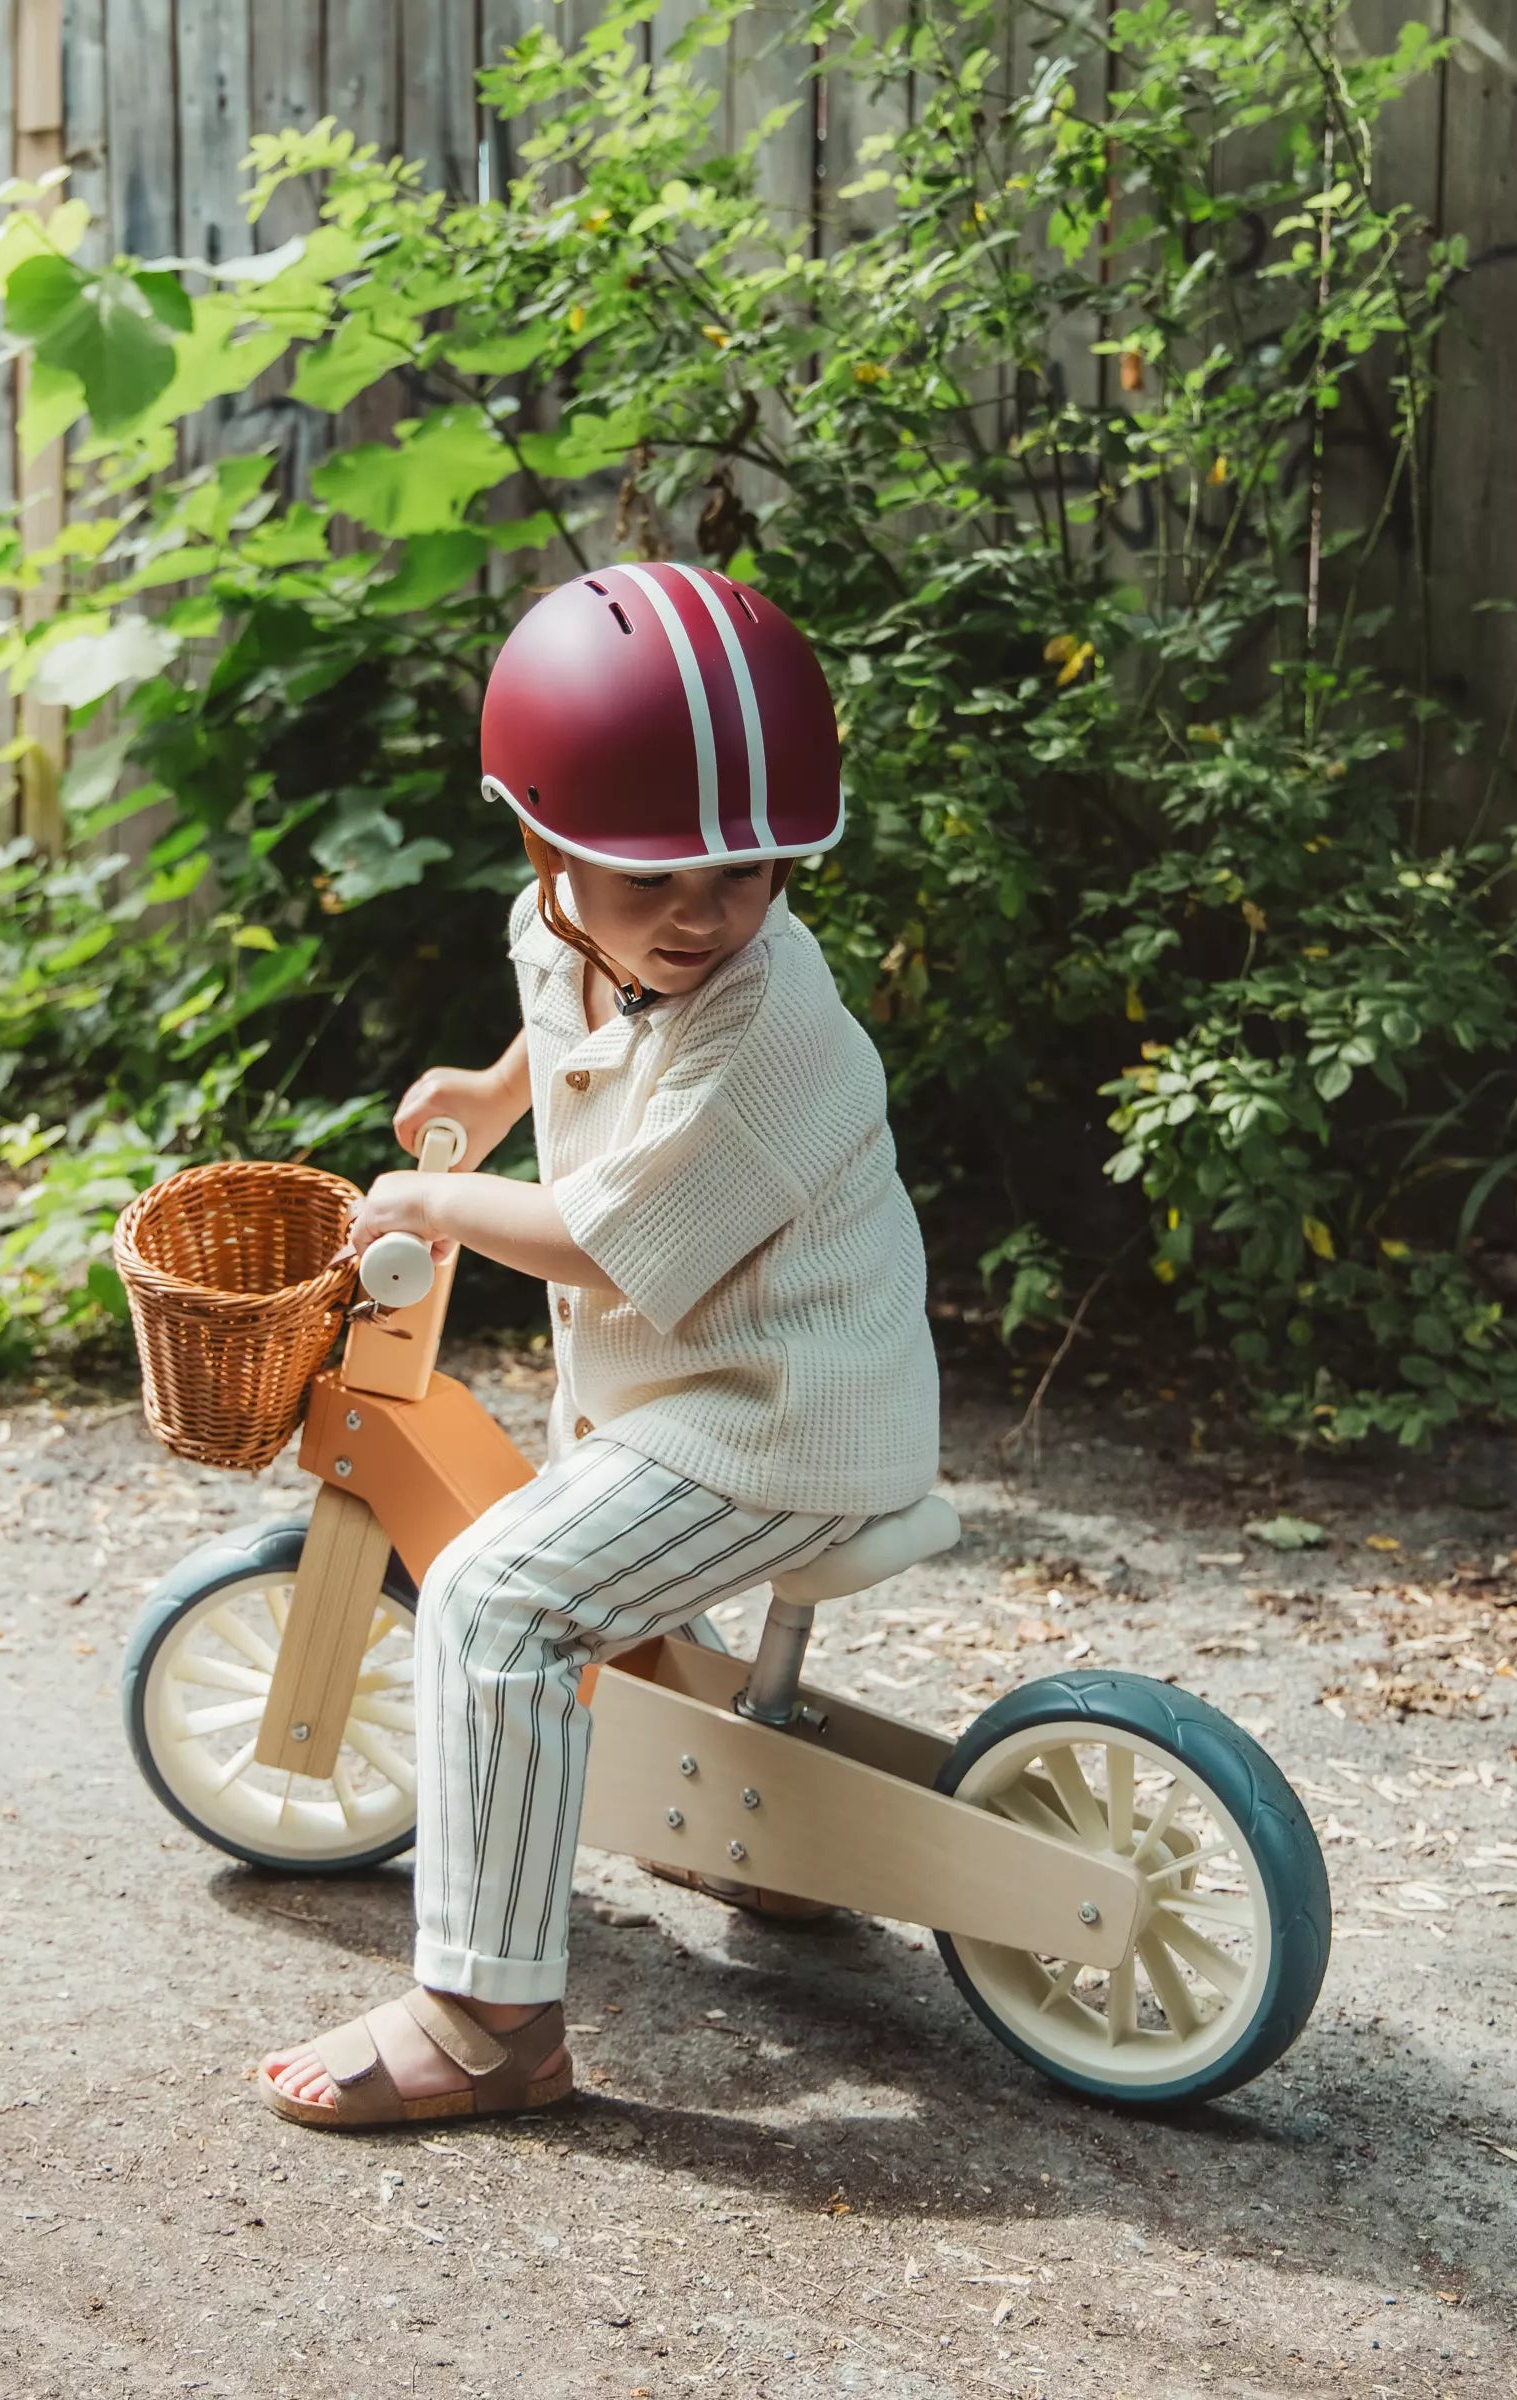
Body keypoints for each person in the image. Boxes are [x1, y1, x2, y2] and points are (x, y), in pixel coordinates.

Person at [260, 560, 940, 2129]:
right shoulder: (571, 923)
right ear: (546, 850)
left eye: (751, 874)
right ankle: (733, 1820)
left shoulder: (769, 1035)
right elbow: (574, 997)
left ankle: (492, 2023)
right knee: (560, 1560)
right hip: (688, 1390)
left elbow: (599, 1240)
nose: (703, 918)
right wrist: (498, 1095)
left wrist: (441, 1190)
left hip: (786, 1414)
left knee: (498, 1598)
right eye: (654, 883)